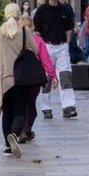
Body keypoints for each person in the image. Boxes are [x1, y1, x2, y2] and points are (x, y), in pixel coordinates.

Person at [0, 4, 40, 157]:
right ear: (19, 16)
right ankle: (15, 134)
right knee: (20, 110)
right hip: (21, 78)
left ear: (5, 15)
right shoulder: (24, 31)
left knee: (8, 112)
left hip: (4, 79)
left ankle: (7, 145)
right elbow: (36, 50)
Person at [33, 0, 78, 119]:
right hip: (47, 47)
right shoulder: (42, 10)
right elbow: (36, 31)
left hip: (62, 47)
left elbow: (69, 29)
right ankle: (46, 108)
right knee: (47, 78)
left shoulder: (66, 10)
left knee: (65, 77)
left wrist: (67, 44)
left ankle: (68, 107)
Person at [19, 15, 55, 143]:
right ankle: (26, 130)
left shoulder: (14, 40)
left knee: (21, 103)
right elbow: (45, 59)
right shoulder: (38, 40)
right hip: (35, 76)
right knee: (31, 104)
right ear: (32, 27)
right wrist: (52, 75)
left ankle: (20, 130)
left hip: (19, 76)